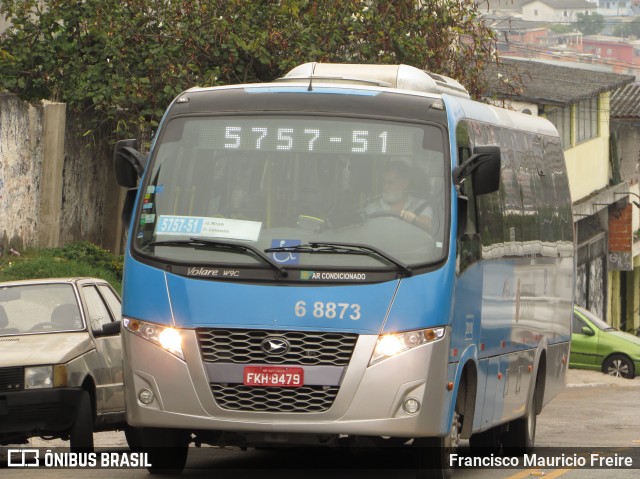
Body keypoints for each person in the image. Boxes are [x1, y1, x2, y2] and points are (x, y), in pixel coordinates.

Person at [365, 162, 433, 232]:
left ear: (404, 184)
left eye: (390, 182)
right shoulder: (372, 208)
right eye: (383, 182)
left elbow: (429, 226)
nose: (385, 187)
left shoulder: (421, 206)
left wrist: (414, 219)